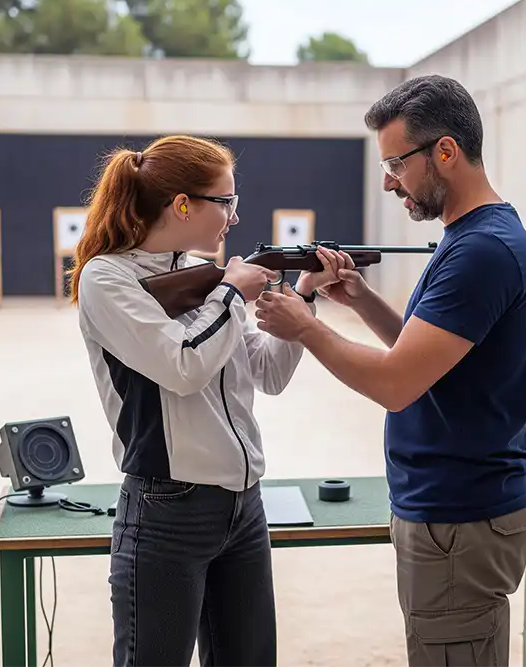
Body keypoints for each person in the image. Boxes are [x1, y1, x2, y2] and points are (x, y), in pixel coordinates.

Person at [252, 75, 526, 666]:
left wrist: (305, 325)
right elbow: (427, 360)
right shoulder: (471, 239)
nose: (389, 181)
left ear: (445, 151)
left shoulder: (480, 251)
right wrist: (360, 299)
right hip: (454, 514)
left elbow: (395, 383)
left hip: (459, 518)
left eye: (396, 163)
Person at [67, 134, 337, 667]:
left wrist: (305, 296)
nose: (234, 216)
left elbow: (269, 371)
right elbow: (184, 365)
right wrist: (233, 293)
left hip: (243, 505)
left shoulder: (199, 275)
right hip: (168, 509)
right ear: (183, 204)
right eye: (226, 201)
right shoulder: (108, 278)